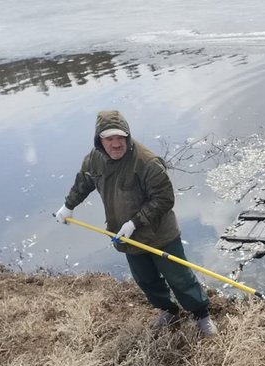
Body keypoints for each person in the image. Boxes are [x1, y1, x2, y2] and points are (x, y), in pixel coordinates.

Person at [54, 110, 217, 337]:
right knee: (146, 280)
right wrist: (68, 206)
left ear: (127, 137)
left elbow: (164, 198)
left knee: (179, 277)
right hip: (126, 236)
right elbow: (84, 181)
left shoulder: (146, 162)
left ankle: (202, 315)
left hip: (160, 234)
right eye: (109, 138)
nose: (116, 143)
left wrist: (135, 222)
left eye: (120, 137)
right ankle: (168, 310)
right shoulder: (95, 158)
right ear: (100, 140)